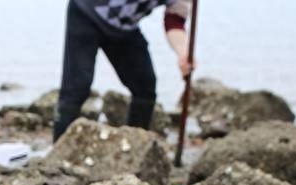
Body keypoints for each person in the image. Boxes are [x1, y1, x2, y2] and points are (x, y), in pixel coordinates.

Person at [53, 0, 193, 141]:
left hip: (124, 28)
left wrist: (183, 53)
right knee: (76, 88)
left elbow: (174, 20)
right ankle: (57, 152)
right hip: (85, 13)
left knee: (145, 86)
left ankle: (134, 146)